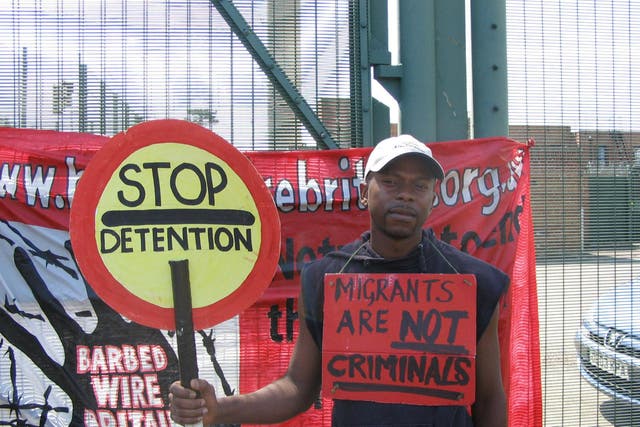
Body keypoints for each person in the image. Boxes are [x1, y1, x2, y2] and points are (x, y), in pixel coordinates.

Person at [169, 134, 509, 427]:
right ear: (364, 192)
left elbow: (490, 398)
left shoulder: (471, 283)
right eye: (390, 181)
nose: (406, 195)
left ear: (433, 200)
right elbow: (298, 388)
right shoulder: (326, 279)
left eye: (420, 186)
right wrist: (220, 408)